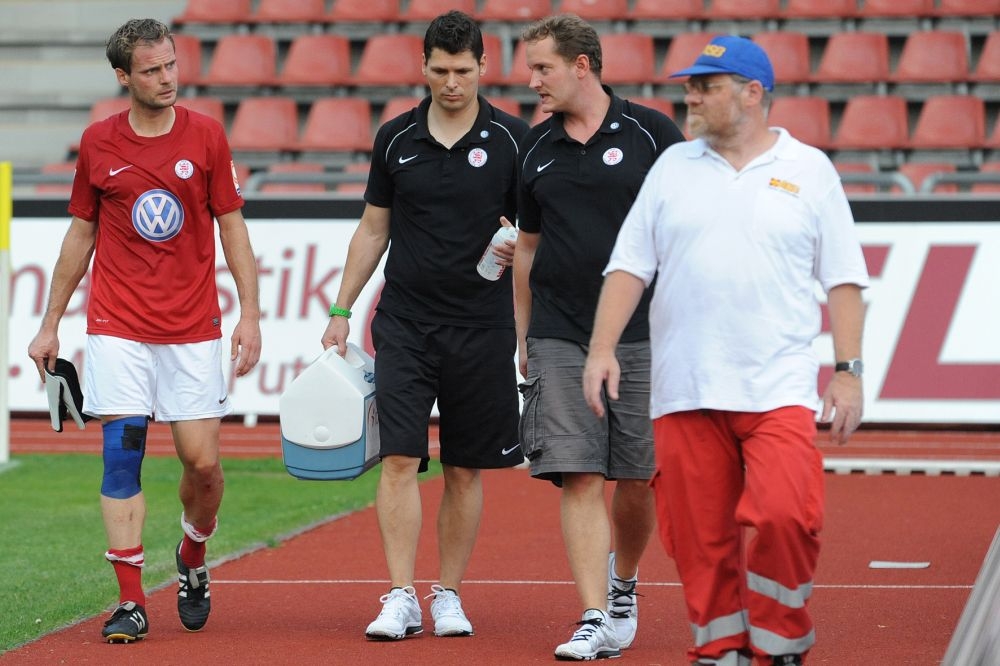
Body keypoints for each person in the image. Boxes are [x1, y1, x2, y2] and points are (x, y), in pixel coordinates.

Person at [582, 36, 869, 666]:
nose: (691, 97)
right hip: (685, 387)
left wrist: (848, 372)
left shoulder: (810, 170)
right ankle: (721, 649)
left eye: (706, 87)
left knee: (787, 516)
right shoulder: (673, 168)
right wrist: (602, 348)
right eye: (690, 86)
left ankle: (780, 642)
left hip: (777, 388)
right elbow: (629, 266)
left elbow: (845, 280)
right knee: (697, 538)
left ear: (751, 93)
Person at [26, 18, 261, 644]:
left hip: (192, 328)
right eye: (152, 70)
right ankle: (130, 601)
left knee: (202, 465)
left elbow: (232, 226)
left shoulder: (206, 135)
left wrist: (250, 314)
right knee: (121, 452)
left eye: (171, 65)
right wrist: (50, 324)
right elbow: (81, 233)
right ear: (123, 77)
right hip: (117, 325)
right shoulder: (98, 142)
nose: (166, 79)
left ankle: (192, 554)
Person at [320, 10, 528, 641]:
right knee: (399, 460)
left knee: (464, 468)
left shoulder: (515, 140)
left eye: (463, 70)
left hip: (483, 326)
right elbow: (373, 230)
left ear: (484, 66)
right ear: (423, 67)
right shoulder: (395, 138)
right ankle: (400, 595)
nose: (451, 83)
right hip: (406, 324)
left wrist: (520, 254)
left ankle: (449, 595)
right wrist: (340, 310)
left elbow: (536, 237)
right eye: (440, 70)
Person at [512, 14, 685, 661]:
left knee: (637, 477)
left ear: (581, 66)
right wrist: (524, 335)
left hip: (643, 332)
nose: (533, 81)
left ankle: (623, 585)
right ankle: (592, 614)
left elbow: (685, 234)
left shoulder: (653, 134)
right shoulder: (534, 148)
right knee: (579, 473)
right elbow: (527, 248)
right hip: (559, 332)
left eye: (543, 68)